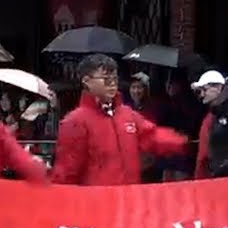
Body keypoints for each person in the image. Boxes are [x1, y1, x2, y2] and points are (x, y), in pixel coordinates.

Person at [50, 54, 186, 186]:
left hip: (128, 198)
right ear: (87, 81)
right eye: (106, 79)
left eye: (115, 78)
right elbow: (67, 171)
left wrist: (182, 143)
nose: (113, 83)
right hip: (98, 201)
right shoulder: (75, 121)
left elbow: (151, 136)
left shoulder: (127, 114)